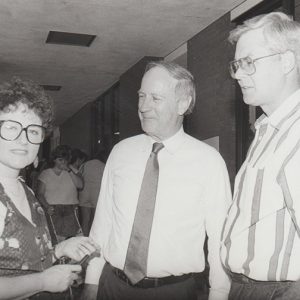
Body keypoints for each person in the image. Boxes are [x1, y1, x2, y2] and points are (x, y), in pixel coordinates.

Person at [83, 61, 232, 300]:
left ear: (182, 104)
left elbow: (220, 240)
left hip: (174, 292)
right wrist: (91, 283)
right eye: (141, 96)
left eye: (156, 98)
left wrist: (220, 293)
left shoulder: (209, 162)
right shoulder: (121, 152)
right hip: (112, 287)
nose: (143, 106)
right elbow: (102, 222)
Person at [220, 12, 300, 300]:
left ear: (287, 61)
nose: (239, 74)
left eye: (249, 62)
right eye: (237, 65)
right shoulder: (269, 128)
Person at [0, 76, 98, 299]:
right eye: (12, 127)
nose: (23, 139)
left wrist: (59, 251)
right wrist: (43, 281)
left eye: (33, 131)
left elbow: (24, 261)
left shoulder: (25, 190)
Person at [37, 145, 83, 243]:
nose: (63, 163)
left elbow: (80, 185)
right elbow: (40, 194)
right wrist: (47, 206)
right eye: (60, 160)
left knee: (72, 239)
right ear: (54, 160)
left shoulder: (73, 171)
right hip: (53, 209)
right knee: (54, 239)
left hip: (71, 209)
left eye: (65, 160)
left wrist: (69, 170)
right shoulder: (45, 173)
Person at [78, 152, 105, 236]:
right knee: (95, 220)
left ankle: (84, 238)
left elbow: (79, 176)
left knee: (85, 219)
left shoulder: (85, 164)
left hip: (84, 193)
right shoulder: (104, 165)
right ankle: (93, 238)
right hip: (96, 194)